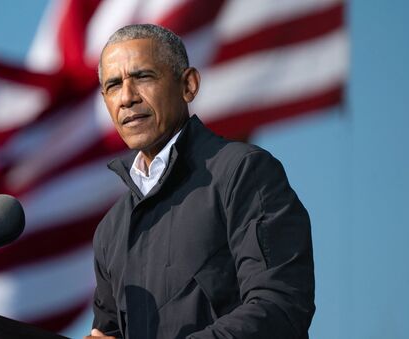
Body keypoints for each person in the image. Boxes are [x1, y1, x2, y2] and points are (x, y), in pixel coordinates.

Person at [86, 24, 314, 339]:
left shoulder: (243, 173)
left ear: (188, 85)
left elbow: (280, 307)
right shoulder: (110, 230)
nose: (126, 97)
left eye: (143, 77)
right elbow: (107, 331)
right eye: (113, 85)